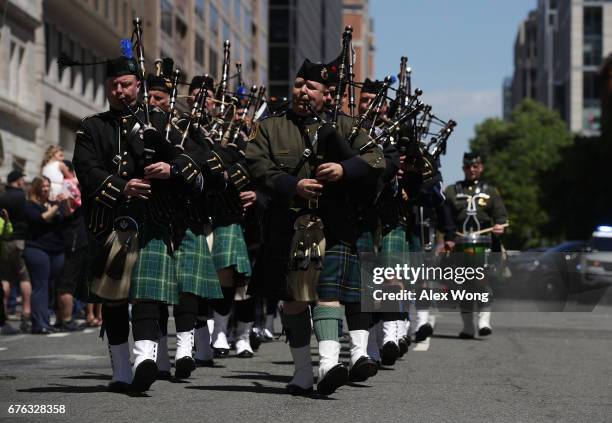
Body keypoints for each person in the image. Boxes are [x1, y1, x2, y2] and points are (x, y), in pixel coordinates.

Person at [72, 54, 221, 393]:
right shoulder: (92, 127)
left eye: (125, 84)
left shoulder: (164, 123)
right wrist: (122, 185)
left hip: (154, 219)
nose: (119, 91)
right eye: (113, 86)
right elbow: (86, 168)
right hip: (111, 222)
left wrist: (174, 168)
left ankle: (144, 361)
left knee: (146, 294)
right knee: (112, 298)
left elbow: (202, 157)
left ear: (137, 85)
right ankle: (121, 369)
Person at [246, 59, 385, 396]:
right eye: (298, 85)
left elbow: (378, 159)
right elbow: (256, 164)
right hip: (286, 223)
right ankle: (303, 371)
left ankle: (328, 363)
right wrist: (291, 185)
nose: (302, 92)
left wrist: (343, 169)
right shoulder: (269, 127)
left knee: (328, 293)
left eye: (310, 87)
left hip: (334, 224)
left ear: (327, 94)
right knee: (293, 300)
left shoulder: (348, 126)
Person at [444, 152, 508, 338]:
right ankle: (467, 325)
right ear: (463, 168)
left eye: (475, 166)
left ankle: (483, 319)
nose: (471, 170)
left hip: (485, 244)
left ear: (481, 167)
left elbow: (501, 215)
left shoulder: (491, 191)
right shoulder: (452, 190)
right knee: (463, 285)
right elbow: (444, 217)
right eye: (467, 167)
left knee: (482, 280)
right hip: (459, 244)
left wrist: (499, 226)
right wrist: (447, 235)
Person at [23, 176, 70, 334]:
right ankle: (39, 324)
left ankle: (47, 321)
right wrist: (57, 206)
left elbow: (66, 218)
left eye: (47, 186)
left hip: (56, 250)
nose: (45, 188)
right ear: (36, 187)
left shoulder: (51, 204)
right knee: (40, 286)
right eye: (42, 186)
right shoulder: (30, 205)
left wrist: (64, 203)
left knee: (52, 287)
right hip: (37, 249)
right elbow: (41, 218)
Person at [54, 161, 87, 332]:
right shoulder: (69, 186)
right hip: (72, 240)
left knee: (66, 281)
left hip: (73, 239)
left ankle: (63, 318)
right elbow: (68, 211)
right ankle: (65, 319)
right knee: (66, 282)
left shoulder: (74, 187)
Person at [0, 170, 32, 333]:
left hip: (4, 241)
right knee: (23, 277)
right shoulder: (22, 197)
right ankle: (26, 314)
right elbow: (28, 216)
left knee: (5, 278)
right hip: (19, 239)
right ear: (18, 181)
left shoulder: (2, 196)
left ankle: (3, 314)